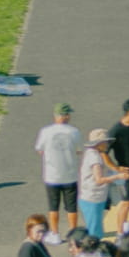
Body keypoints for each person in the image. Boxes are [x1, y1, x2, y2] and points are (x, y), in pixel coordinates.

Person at [35, 102, 83, 243]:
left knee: (53, 206)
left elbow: (39, 149)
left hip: (52, 175)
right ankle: (73, 232)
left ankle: (55, 233)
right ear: (67, 116)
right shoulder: (74, 131)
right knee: (71, 206)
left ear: (55, 116)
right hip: (70, 174)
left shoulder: (45, 131)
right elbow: (79, 150)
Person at [78, 128, 124, 240]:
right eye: (105, 142)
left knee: (95, 227)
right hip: (93, 198)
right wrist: (118, 176)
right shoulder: (95, 158)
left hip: (89, 197)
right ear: (99, 143)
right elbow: (99, 180)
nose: (107, 144)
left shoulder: (90, 153)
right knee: (95, 232)